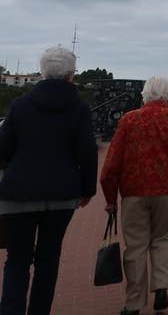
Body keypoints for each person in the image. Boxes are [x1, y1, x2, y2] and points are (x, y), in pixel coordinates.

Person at [0, 46, 98, 315]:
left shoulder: (20, 105)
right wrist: (87, 189)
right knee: (48, 259)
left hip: (17, 194)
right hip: (61, 195)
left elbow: (3, 149)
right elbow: (87, 153)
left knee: (17, 261)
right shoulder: (79, 109)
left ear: (42, 72)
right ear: (70, 75)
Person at [100, 76, 168, 315]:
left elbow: (111, 165)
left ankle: (133, 303)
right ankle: (161, 286)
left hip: (134, 192)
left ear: (145, 94)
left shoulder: (129, 120)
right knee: (162, 239)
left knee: (135, 247)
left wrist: (109, 198)